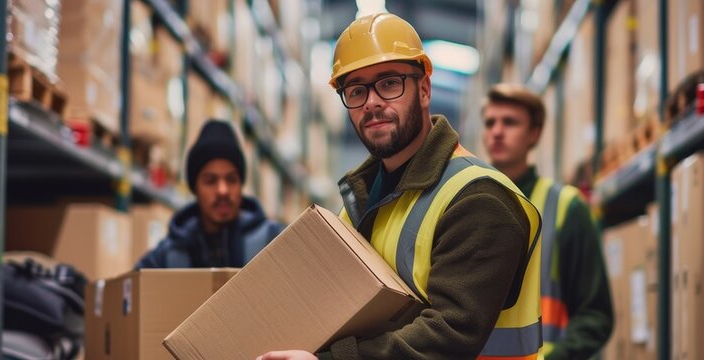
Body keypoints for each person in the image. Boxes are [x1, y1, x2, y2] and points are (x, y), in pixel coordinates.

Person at [258, 13, 543, 360]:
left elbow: (450, 334)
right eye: (356, 90)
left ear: (423, 90)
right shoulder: (356, 207)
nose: (372, 102)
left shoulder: (479, 198)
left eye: (389, 83)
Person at [481, 83, 614, 359]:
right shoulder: (467, 206)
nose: (497, 131)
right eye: (490, 122)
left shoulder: (567, 207)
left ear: (534, 133)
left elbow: (595, 315)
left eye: (510, 122)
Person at [135, 120, 284, 268]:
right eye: (210, 181)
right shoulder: (167, 256)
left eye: (231, 179)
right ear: (195, 188)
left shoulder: (274, 242)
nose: (222, 190)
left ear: (241, 184)